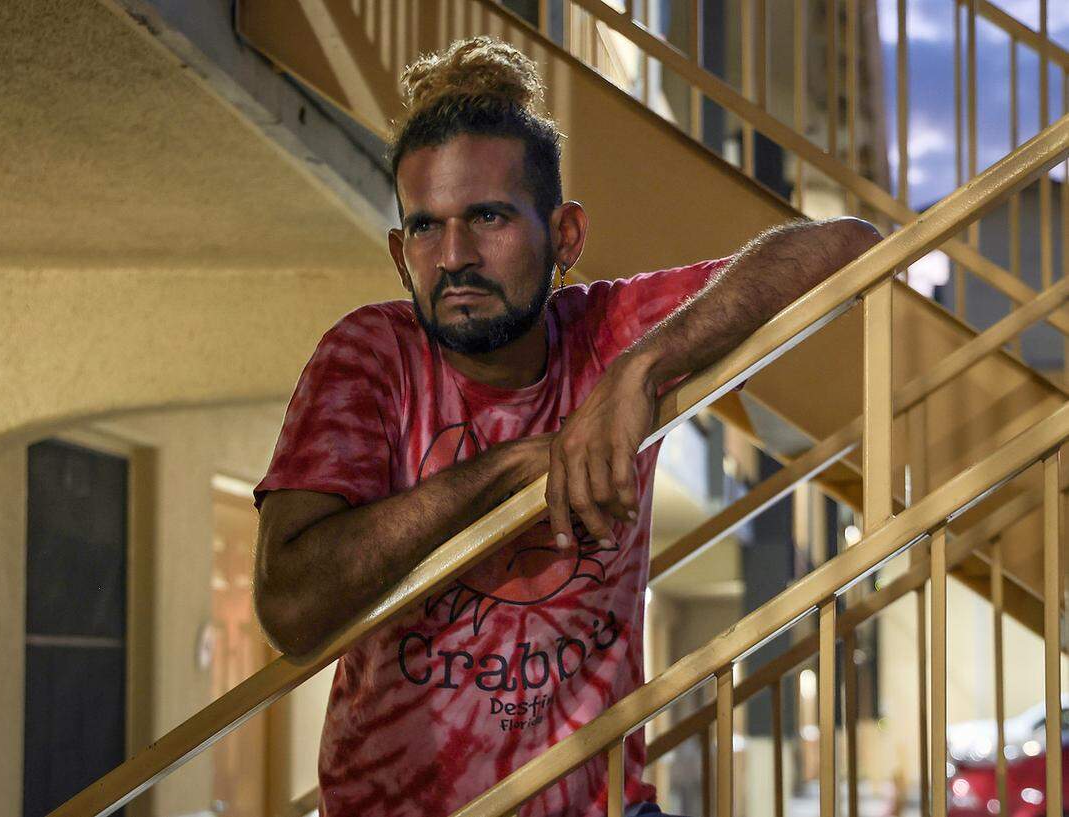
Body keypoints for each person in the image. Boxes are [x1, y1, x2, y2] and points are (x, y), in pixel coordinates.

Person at [253, 36, 880, 817]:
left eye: (488, 216)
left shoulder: (607, 332)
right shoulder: (368, 358)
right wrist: (511, 468)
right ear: (398, 251)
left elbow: (844, 247)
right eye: (425, 227)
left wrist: (640, 370)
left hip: (601, 803)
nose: (454, 256)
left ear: (567, 238)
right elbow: (290, 609)